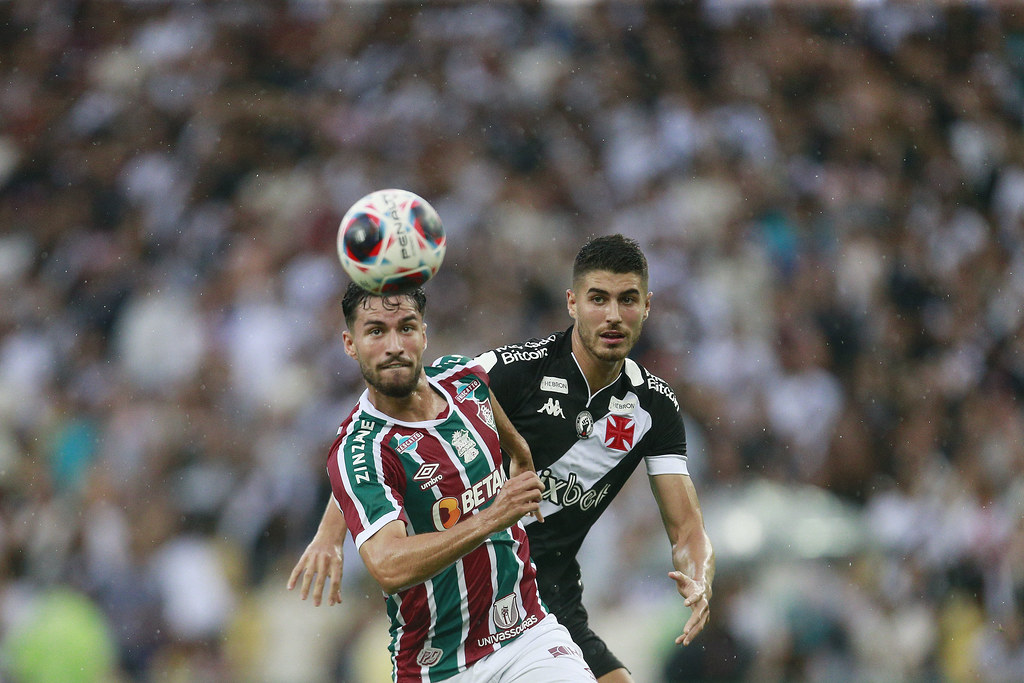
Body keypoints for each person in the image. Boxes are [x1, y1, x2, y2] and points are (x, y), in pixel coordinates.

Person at [292, 235, 713, 682]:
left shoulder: (655, 407)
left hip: (538, 600)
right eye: (598, 299)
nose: (612, 315)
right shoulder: (513, 368)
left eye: (627, 300)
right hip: (445, 636)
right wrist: (329, 533)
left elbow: (687, 529)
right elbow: (388, 426)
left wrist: (699, 577)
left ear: (647, 306)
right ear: (572, 303)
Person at [320, 282, 595, 682]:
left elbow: (510, 436)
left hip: (527, 636)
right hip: (437, 666)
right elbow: (387, 565)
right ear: (350, 343)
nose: (394, 344)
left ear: (424, 334)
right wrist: (491, 517)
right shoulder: (361, 450)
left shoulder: (464, 378)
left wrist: (522, 460)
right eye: (376, 331)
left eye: (407, 327)